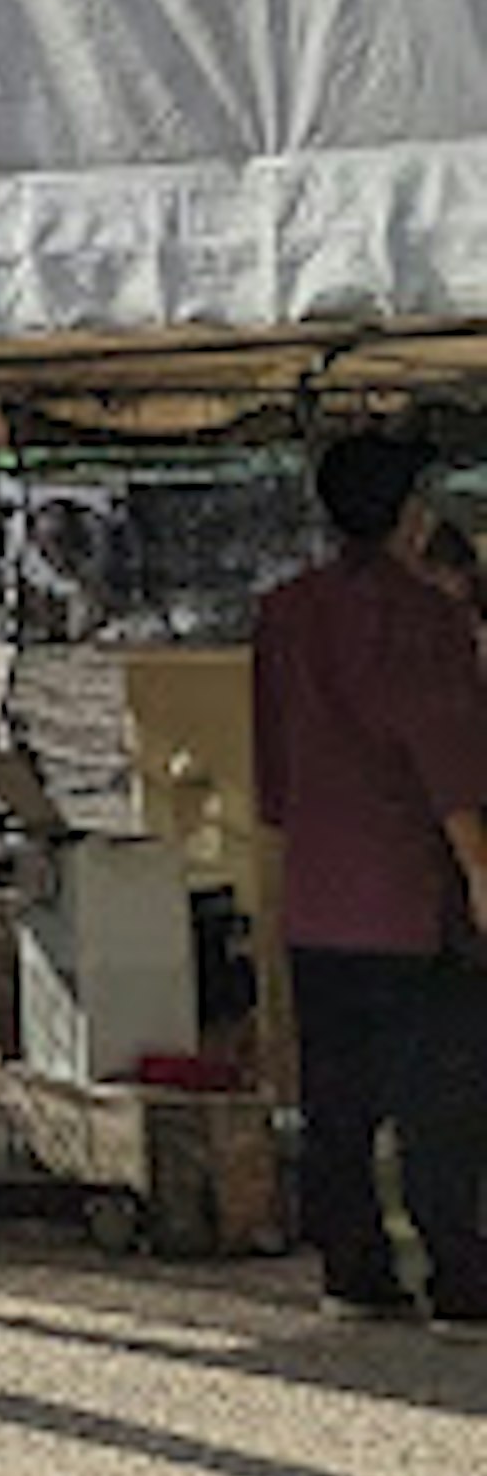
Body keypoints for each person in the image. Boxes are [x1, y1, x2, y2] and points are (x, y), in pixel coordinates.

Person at [250, 429, 487, 1324]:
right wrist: (479, 870)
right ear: (409, 512)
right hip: (411, 897)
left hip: (320, 893)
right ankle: (461, 1275)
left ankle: (353, 1268)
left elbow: (275, 773)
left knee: (337, 1097)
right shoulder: (424, 620)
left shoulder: (285, 611)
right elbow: (449, 759)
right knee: (443, 1095)